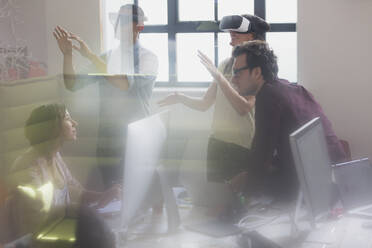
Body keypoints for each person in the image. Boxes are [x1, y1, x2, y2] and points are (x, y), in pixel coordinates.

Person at [198, 40, 347, 200]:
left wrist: (243, 198)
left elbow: (261, 152)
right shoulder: (294, 89)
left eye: (237, 73)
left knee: (235, 201)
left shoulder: (267, 96)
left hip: (313, 188)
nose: (233, 80)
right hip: (337, 181)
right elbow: (285, 150)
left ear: (256, 72)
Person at [53, 4, 159, 186]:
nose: (120, 25)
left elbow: (124, 84)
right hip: (107, 142)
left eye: (126, 21)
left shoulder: (148, 59)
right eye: (118, 20)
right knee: (111, 197)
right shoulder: (107, 58)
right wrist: (68, 55)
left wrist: (91, 56)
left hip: (135, 140)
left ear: (139, 26)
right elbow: (72, 84)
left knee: (135, 198)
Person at [158, 14, 270, 182]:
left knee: (237, 201)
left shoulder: (256, 68)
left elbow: (244, 107)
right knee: (216, 195)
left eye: (238, 31)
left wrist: (218, 76)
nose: (232, 33)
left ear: (252, 36)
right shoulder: (225, 64)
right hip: (217, 141)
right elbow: (205, 104)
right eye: (231, 31)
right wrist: (180, 97)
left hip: (240, 145)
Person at [8, 103, 120, 237]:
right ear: (52, 127)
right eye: (67, 118)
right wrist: (88, 217)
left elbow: (74, 191)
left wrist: (102, 196)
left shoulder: (54, 155)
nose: (75, 123)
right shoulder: (27, 166)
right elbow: (40, 216)